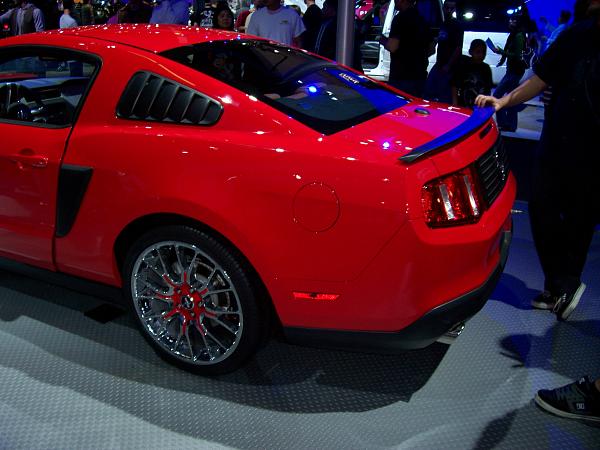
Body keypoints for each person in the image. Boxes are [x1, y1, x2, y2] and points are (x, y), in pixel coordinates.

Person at [476, 0, 600, 422]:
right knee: (582, 214)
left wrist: (503, 101)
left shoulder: (581, 32)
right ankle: (564, 284)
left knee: (546, 206)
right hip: (591, 148)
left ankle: (560, 283)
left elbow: (540, 77)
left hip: (568, 139)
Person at [378, 0, 430, 97]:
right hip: (419, 76)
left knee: (398, 108)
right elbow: (431, 49)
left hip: (401, 77)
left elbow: (393, 47)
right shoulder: (422, 20)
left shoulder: (400, 19)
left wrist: (383, 40)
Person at [489, 14, 527, 132]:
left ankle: (505, 123)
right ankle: (509, 124)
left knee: (497, 96)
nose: (510, 23)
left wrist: (501, 52)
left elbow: (517, 55)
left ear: (518, 23)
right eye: (510, 21)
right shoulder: (513, 35)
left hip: (515, 71)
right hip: (511, 70)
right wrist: (502, 59)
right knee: (511, 98)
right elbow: (508, 50)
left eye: (514, 21)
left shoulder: (519, 36)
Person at [424, 0, 463, 103]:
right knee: (429, 91)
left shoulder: (457, 25)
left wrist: (449, 65)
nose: (449, 10)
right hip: (440, 63)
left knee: (444, 96)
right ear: (443, 8)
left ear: (454, 9)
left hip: (449, 67)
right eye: (447, 8)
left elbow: (458, 48)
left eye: (451, 8)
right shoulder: (443, 23)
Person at [311, 0, 362, 71]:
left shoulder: (338, 25)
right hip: (322, 60)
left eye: (325, 7)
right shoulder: (324, 23)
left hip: (329, 62)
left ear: (332, 9)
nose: (322, 10)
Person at [451, 39, 492, 108]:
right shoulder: (463, 66)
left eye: (483, 53)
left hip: (480, 105)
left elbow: (488, 89)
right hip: (464, 103)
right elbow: (454, 85)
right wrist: (455, 103)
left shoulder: (486, 68)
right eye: (478, 52)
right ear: (470, 52)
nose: (481, 55)